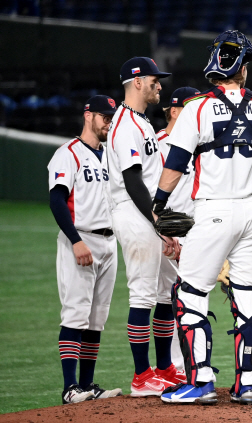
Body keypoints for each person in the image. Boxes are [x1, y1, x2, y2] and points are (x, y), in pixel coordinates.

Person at [150, 30, 252, 405]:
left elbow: (175, 163)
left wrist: (159, 202)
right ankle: (248, 385)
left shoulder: (197, 109)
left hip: (214, 210)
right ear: (242, 69)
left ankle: (202, 382)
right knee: (248, 295)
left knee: (189, 293)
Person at [105, 56, 182, 396]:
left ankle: (164, 368)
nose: (159, 85)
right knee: (142, 295)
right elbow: (133, 179)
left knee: (165, 292)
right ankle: (141, 376)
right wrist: (156, 220)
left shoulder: (141, 123)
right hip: (135, 215)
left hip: (150, 216)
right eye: (154, 80)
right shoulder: (124, 124)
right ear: (137, 82)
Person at [48, 95, 123, 404]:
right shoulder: (68, 154)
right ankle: (70, 388)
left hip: (109, 242)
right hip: (81, 240)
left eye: (111, 116)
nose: (108, 121)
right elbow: (56, 199)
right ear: (88, 115)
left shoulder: (111, 156)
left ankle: (88, 385)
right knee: (76, 314)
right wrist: (75, 240)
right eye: (104, 116)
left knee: (97, 318)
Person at [155, 86, 201, 375]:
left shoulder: (202, 146)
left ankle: (188, 364)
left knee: (191, 299)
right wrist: (161, 230)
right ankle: (172, 367)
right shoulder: (157, 144)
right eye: (191, 106)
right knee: (167, 300)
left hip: (196, 234)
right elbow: (148, 192)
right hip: (165, 233)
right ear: (174, 111)